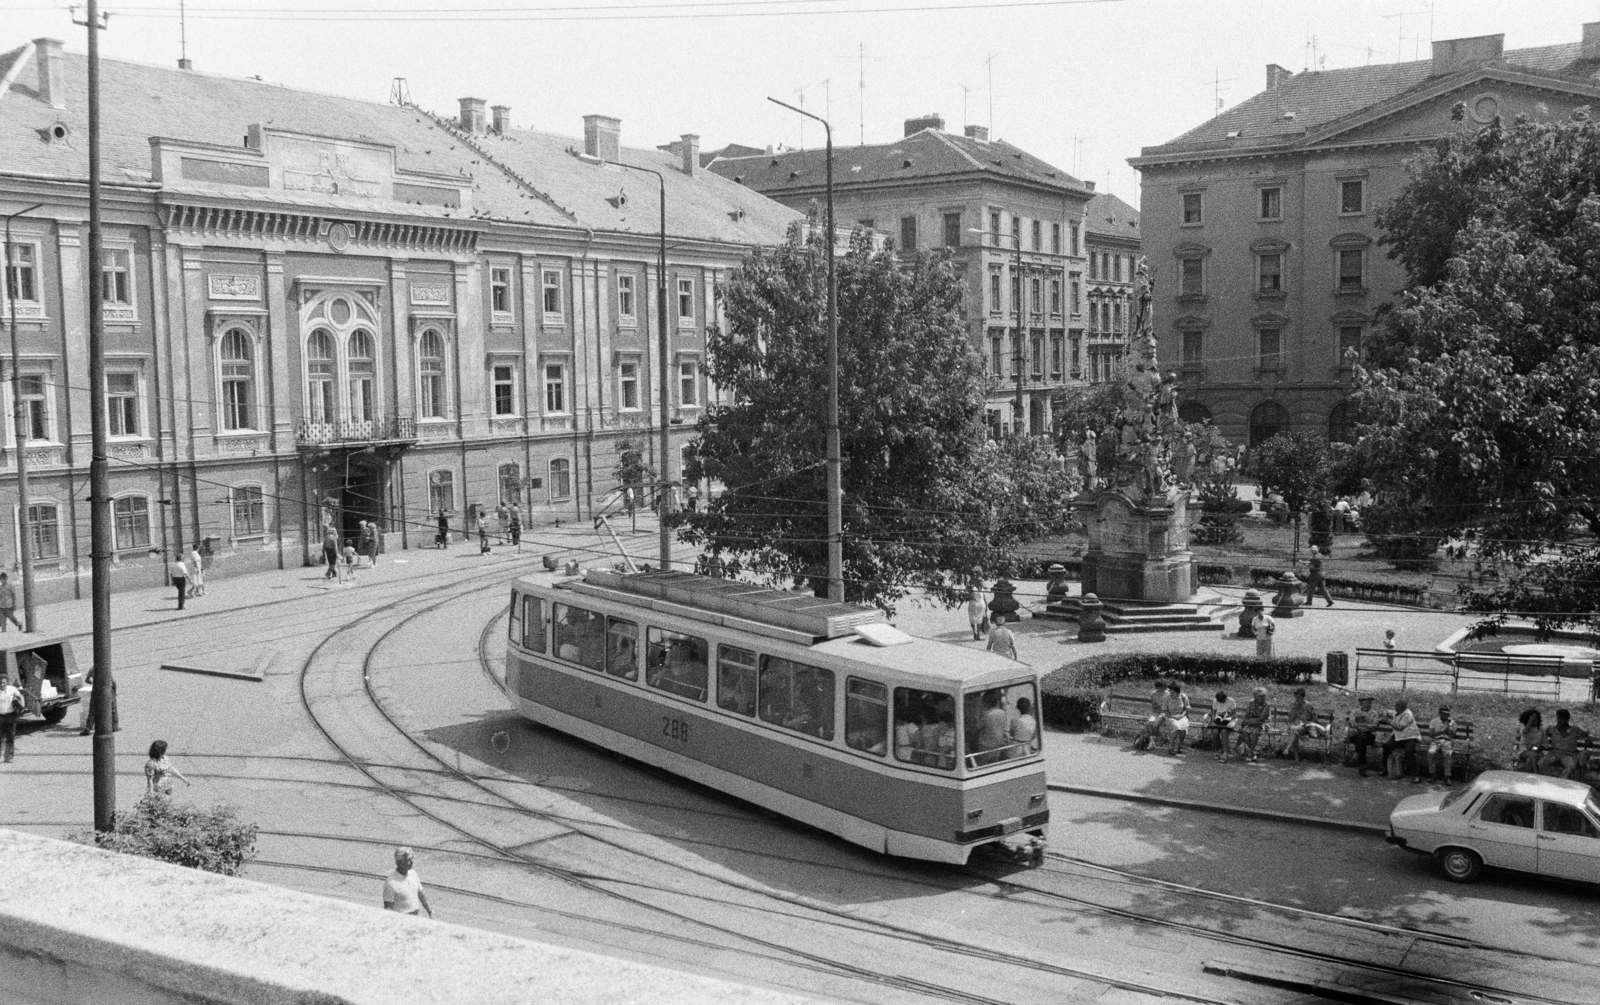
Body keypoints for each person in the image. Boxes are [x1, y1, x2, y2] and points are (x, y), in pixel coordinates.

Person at [382, 846, 433, 918]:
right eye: (408, 860)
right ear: (400, 863)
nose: (412, 862)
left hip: (415, 916)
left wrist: (428, 909)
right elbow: (388, 908)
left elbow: (421, 894)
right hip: (402, 919)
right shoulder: (390, 883)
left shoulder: (413, 874)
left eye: (411, 859)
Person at [1380, 699, 1422, 782]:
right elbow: (1386, 712)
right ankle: (1385, 769)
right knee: (1386, 746)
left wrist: (1388, 721)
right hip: (1398, 737)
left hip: (1410, 737)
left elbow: (1400, 727)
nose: (1395, 708)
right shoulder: (1397, 712)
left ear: (1403, 707)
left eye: (1397, 706)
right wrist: (1384, 713)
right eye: (1396, 706)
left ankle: (1415, 775)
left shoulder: (1408, 714)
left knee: (1409, 751)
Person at [1540, 709, 1590, 779]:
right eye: (1558, 718)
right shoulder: (1552, 729)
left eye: (1562, 719)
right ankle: (1550, 779)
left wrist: (1588, 738)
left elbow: (1586, 734)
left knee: (1571, 765)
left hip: (1568, 754)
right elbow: (1542, 737)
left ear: (1567, 719)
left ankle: (1561, 780)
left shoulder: (1574, 729)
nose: (1559, 721)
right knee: (1541, 763)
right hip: (1554, 753)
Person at [1279, 688, 1327, 760]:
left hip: (1306, 727)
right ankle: (1294, 754)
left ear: (1302, 696)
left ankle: (1290, 751)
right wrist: (1294, 709)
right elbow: (1290, 718)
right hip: (1295, 726)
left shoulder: (1308, 706)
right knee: (1294, 731)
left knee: (1295, 731)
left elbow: (1315, 718)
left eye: (1298, 696)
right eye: (1296, 696)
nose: (1296, 698)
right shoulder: (1294, 705)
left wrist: (1307, 723)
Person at [1346, 695, 1382, 776]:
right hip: (1356, 734)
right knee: (1362, 739)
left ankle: (1356, 757)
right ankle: (1362, 767)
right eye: (1367, 703)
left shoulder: (1374, 713)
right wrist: (1366, 727)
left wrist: (1361, 727)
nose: (1369, 704)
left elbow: (1375, 725)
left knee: (1362, 739)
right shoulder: (1355, 712)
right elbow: (1352, 723)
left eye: (1370, 703)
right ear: (1361, 703)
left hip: (1369, 736)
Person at [1133, 680, 1171, 752]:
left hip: (1164, 713)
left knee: (1155, 724)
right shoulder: (1153, 694)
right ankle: (1152, 740)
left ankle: (1156, 740)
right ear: (1157, 687)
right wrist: (1159, 707)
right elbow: (1153, 706)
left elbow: (1169, 705)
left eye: (1163, 687)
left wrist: (1163, 708)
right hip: (1155, 712)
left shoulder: (1168, 694)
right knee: (1149, 723)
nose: (1161, 689)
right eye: (1159, 687)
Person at [1425, 706, 1459, 784]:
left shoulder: (1452, 722)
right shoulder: (1434, 721)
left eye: (1447, 714)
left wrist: (1449, 727)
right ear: (1440, 713)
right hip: (1436, 741)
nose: (1446, 716)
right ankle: (1432, 774)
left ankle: (1447, 777)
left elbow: (1453, 735)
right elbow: (1431, 734)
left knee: (1447, 754)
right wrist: (1442, 732)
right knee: (1431, 753)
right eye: (1444, 714)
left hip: (1447, 741)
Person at [1237, 688, 1272, 762]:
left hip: (1263, 723)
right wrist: (1247, 721)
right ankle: (1253, 753)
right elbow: (1247, 714)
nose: (1258, 698)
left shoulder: (1267, 704)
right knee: (1244, 732)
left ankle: (1250, 754)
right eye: (1256, 696)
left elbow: (1262, 718)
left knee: (1254, 734)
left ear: (1264, 697)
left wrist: (1249, 721)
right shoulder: (1251, 702)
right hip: (1251, 723)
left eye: (1260, 697)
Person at [1205, 690, 1238, 762]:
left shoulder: (1231, 701)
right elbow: (1213, 713)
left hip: (1227, 721)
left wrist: (1227, 716)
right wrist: (1214, 717)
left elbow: (1234, 715)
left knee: (1224, 732)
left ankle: (1225, 753)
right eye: (1219, 701)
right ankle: (1218, 749)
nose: (1221, 702)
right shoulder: (1215, 701)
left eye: (1222, 700)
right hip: (1218, 721)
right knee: (1215, 732)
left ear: (1225, 698)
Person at [977, 689, 1011, 756]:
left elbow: (978, 726)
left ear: (987, 703)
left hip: (985, 746)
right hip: (998, 745)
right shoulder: (1002, 713)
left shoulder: (987, 715)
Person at [1164, 681, 1191, 756]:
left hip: (1182, 716)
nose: (1170, 692)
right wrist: (1172, 716)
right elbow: (1164, 710)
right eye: (1170, 691)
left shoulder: (1183, 696)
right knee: (1177, 727)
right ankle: (1171, 745)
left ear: (1177, 691)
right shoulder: (1167, 697)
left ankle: (1180, 746)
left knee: (1183, 728)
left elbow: (1187, 709)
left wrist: (1181, 716)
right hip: (1170, 716)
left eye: (1172, 691)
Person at [0, 674, 22, 763]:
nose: (2, 685)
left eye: (4, 683)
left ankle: (8, 757)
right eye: (0, 683)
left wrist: (21, 705)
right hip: (0, 716)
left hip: (10, 716)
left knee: (10, 736)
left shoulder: (12, 689)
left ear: (7, 682)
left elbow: (20, 696)